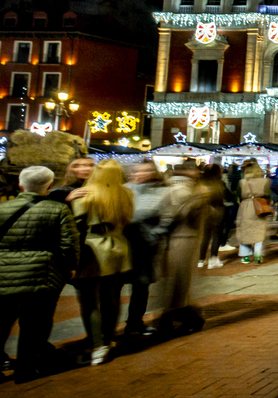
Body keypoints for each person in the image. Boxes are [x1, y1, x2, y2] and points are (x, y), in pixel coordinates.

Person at [0, 166, 80, 382]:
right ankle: (27, 369)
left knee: (3, 320)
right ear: (50, 186)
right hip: (42, 273)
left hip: (4, 272)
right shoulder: (58, 210)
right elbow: (69, 244)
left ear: (20, 184)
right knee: (35, 323)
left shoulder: (3, 208)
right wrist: (70, 267)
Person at [73, 160, 134, 365]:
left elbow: (76, 223)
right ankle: (108, 339)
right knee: (110, 297)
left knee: (89, 301)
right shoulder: (125, 194)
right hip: (118, 246)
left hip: (94, 248)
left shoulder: (87, 193)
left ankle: (97, 345)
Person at [156, 163, 205, 337]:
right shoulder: (186, 190)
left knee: (175, 281)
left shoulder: (179, 190)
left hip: (179, 240)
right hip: (182, 240)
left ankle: (173, 318)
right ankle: (183, 317)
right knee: (178, 281)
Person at [123, 162, 169, 336]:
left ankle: (134, 323)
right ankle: (109, 327)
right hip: (123, 244)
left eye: (146, 170)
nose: (141, 173)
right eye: (137, 170)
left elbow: (167, 217)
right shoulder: (124, 189)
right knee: (115, 286)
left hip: (145, 246)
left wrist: (155, 235)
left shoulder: (163, 191)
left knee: (141, 286)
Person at [236, 161, 273, 263]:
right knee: (259, 230)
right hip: (259, 206)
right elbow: (268, 195)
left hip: (246, 206)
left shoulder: (242, 182)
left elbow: (238, 196)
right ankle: (258, 254)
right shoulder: (265, 181)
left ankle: (245, 256)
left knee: (245, 231)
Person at [195, 165, 228, 268]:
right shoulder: (220, 184)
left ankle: (201, 259)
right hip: (218, 210)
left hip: (205, 211)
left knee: (205, 235)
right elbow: (228, 196)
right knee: (216, 235)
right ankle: (213, 259)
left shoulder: (202, 184)